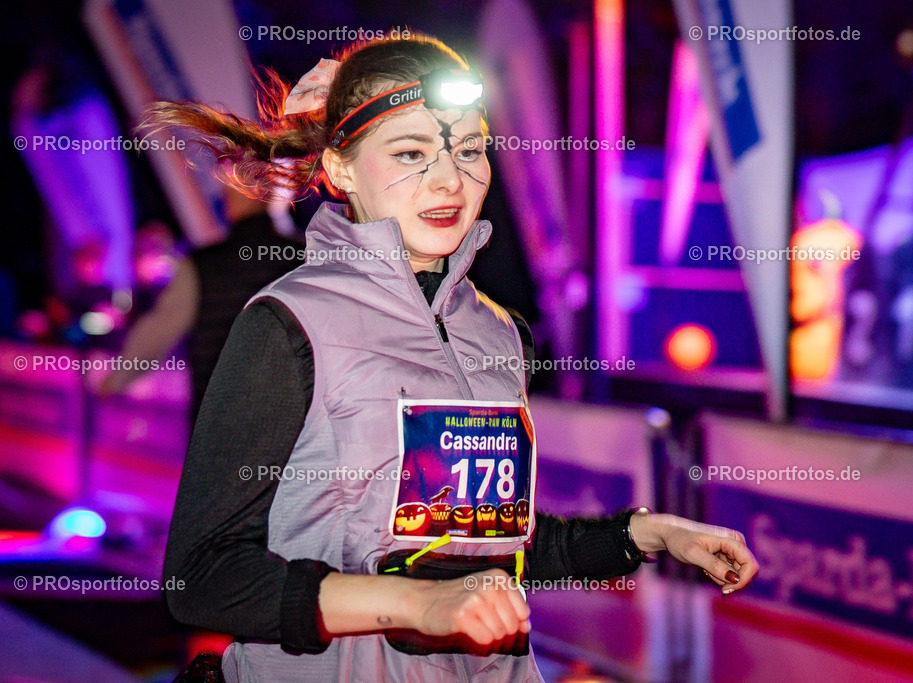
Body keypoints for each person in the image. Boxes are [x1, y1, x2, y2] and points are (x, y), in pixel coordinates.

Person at [151, 34, 758, 682]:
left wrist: (649, 534)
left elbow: (491, 545)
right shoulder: (289, 322)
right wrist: (417, 604)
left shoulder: (500, 333)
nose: (450, 179)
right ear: (342, 167)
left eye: (470, 150)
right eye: (411, 153)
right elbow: (204, 577)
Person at [99, 185, 305, 424]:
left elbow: (158, 331)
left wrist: (117, 380)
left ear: (230, 202)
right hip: (291, 422)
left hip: (219, 421)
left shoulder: (201, 265)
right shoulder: (303, 256)